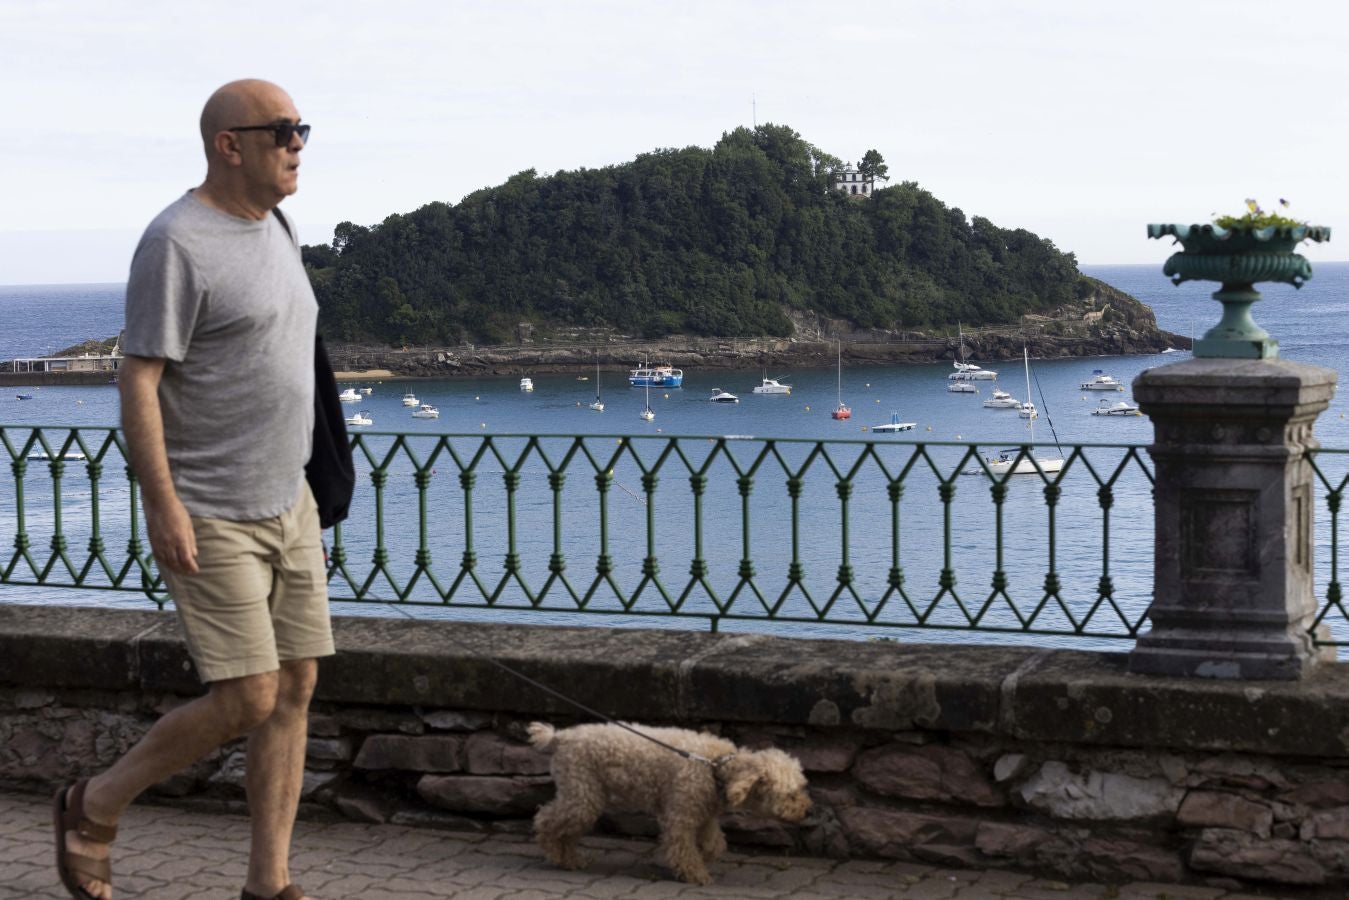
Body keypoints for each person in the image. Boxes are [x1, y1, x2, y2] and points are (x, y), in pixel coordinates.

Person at [52, 79, 332, 900]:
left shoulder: (278, 225)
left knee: (297, 689)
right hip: (210, 508)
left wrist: (317, 486)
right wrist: (161, 502)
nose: (297, 144)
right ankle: (95, 803)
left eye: (301, 129)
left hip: (290, 501)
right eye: (281, 131)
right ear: (228, 143)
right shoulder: (176, 242)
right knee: (248, 695)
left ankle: (267, 883)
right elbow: (138, 379)